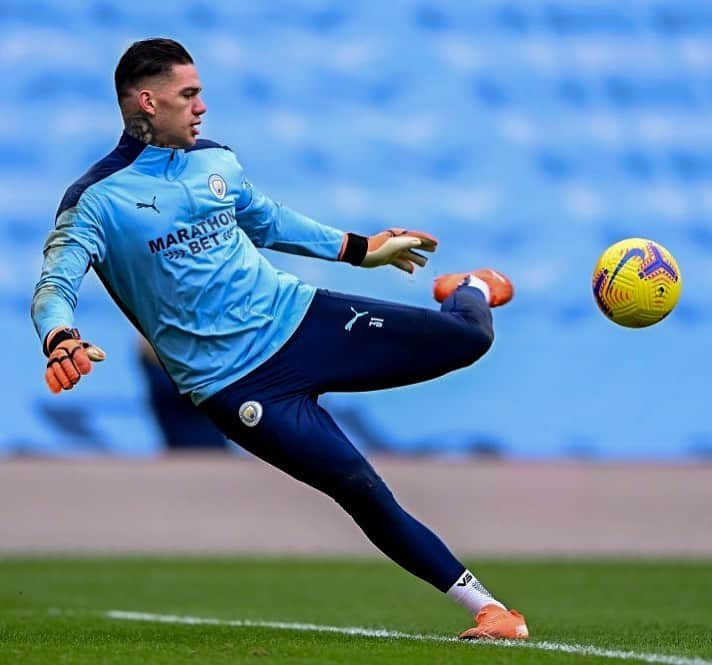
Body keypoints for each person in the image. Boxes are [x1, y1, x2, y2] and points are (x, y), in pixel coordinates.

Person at [31, 38, 528, 640]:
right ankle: (491, 610)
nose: (201, 107)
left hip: (302, 321)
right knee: (359, 488)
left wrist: (362, 250)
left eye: (200, 94)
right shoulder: (96, 201)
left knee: (467, 339)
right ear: (146, 101)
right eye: (188, 95)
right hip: (236, 385)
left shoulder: (216, 161)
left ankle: (470, 285)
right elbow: (54, 284)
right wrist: (60, 337)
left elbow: (267, 220)